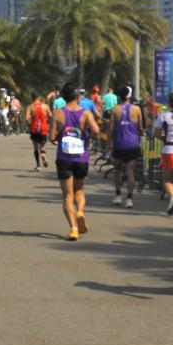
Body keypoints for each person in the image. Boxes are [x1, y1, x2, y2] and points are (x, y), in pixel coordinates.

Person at [54, 82, 103, 241]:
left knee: (67, 196)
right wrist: (86, 134)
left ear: (63, 97)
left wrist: (61, 135)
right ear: (77, 96)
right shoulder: (86, 113)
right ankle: (80, 212)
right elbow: (96, 130)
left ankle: (73, 228)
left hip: (64, 157)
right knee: (79, 190)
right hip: (81, 157)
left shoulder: (58, 113)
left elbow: (52, 137)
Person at [108, 85, 145, 208]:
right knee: (130, 171)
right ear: (129, 96)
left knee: (117, 170)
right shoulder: (137, 109)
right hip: (133, 143)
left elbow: (111, 128)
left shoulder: (115, 109)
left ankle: (118, 196)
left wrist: (109, 143)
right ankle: (129, 199)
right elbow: (141, 128)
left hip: (119, 143)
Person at [27, 92, 51, 169]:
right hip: (44, 129)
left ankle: (38, 165)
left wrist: (29, 124)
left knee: (35, 147)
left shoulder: (30, 107)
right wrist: (48, 124)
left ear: (32, 98)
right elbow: (50, 116)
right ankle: (43, 155)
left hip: (34, 129)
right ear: (39, 97)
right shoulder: (46, 106)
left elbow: (27, 118)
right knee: (42, 147)